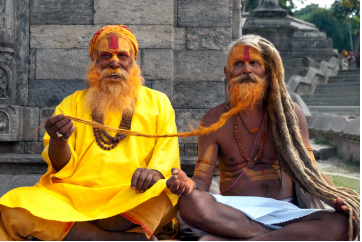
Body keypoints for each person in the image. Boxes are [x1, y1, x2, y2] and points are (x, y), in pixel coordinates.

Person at [166, 35, 359, 240]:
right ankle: (279, 238)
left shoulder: (290, 114)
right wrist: (187, 184)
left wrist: (337, 199)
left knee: (343, 223)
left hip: (287, 212)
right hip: (233, 213)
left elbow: (311, 172)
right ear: (227, 72)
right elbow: (201, 183)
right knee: (189, 202)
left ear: (268, 70)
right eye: (238, 63)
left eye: (254, 63)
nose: (247, 70)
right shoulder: (214, 119)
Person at [0, 25, 180, 241]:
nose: (114, 62)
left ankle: (78, 233)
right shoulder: (72, 103)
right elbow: (60, 167)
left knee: (163, 194)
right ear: (95, 62)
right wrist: (58, 141)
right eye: (106, 56)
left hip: (131, 195)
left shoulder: (158, 102)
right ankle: (118, 239)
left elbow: (167, 154)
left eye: (122, 55)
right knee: (14, 205)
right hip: (76, 197)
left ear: (133, 61)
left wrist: (155, 173)